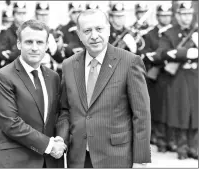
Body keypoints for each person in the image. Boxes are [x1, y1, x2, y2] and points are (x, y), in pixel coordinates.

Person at [57, 9, 151, 168]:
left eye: (99, 29)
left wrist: (140, 159)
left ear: (108, 29)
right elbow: (65, 110)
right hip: (79, 157)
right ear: (79, 34)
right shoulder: (69, 65)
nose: (94, 36)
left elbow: (141, 114)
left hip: (116, 157)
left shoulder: (129, 62)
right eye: (87, 31)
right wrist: (61, 138)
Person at [0, 20, 67, 168]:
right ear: (19, 44)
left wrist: (60, 141)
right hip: (14, 161)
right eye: (29, 42)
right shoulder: (2, 77)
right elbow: (10, 123)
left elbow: (60, 114)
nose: (35, 48)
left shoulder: (53, 77)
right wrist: (49, 145)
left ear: (47, 46)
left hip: (49, 162)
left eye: (40, 42)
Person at [152, 1, 198, 160]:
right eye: (183, 14)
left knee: (196, 114)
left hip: (195, 77)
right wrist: (185, 53)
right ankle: (182, 148)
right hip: (179, 78)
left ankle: (194, 147)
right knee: (181, 113)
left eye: (189, 14)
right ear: (177, 15)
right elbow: (161, 54)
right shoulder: (169, 33)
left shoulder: (196, 31)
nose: (187, 17)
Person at [140, 3, 177, 152]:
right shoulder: (150, 34)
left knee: (172, 109)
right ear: (157, 17)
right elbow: (145, 54)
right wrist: (160, 57)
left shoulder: (175, 32)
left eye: (168, 15)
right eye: (163, 15)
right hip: (155, 76)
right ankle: (158, 138)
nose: (166, 18)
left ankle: (171, 139)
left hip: (173, 76)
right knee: (157, 108)